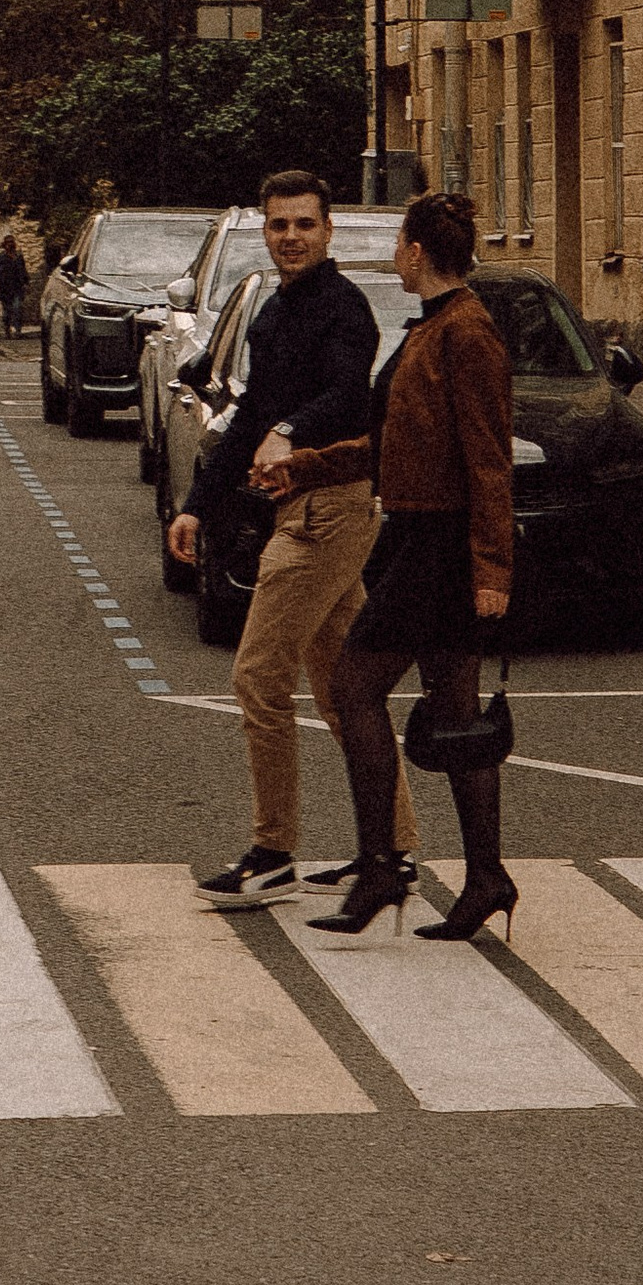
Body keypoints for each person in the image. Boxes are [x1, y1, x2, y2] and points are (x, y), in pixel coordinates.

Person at [257, 189, 514, 944]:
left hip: (440, 548)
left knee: (354, 688)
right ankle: (487, 878)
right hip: (419, 539)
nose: (393, 253)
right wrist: (305, 467)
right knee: (458, 717)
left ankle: (380, 867)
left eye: (398, 242)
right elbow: (392, 447)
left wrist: (493, 571)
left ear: (415, 253)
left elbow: (491, 463)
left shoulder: (467, 334)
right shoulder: (431, 329)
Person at [170, 169, 418, 908]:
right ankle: (393, 850)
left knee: (257, 677)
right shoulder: (273, 315)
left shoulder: (342, 310)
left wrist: (289, 430)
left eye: (304, 224)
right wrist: (194, 506)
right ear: (266, 233)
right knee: (344, 693)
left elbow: (348, 396)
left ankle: (273, 850)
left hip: (329, 511)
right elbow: (247, 419)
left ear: (327, 230)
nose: (291, 238)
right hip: (301, 510)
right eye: (279, 226)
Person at [0, 234, 27, 339]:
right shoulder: (1, 257)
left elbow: (23, 271)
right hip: (5, 287)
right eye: (8, 243)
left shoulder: (18, 256)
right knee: (7, 311)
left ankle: (17, 330)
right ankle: (7, 329)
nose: (10, 245)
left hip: (17, 286)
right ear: (5, 244)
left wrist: (26, 283)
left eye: (12, 242)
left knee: (17, 308)